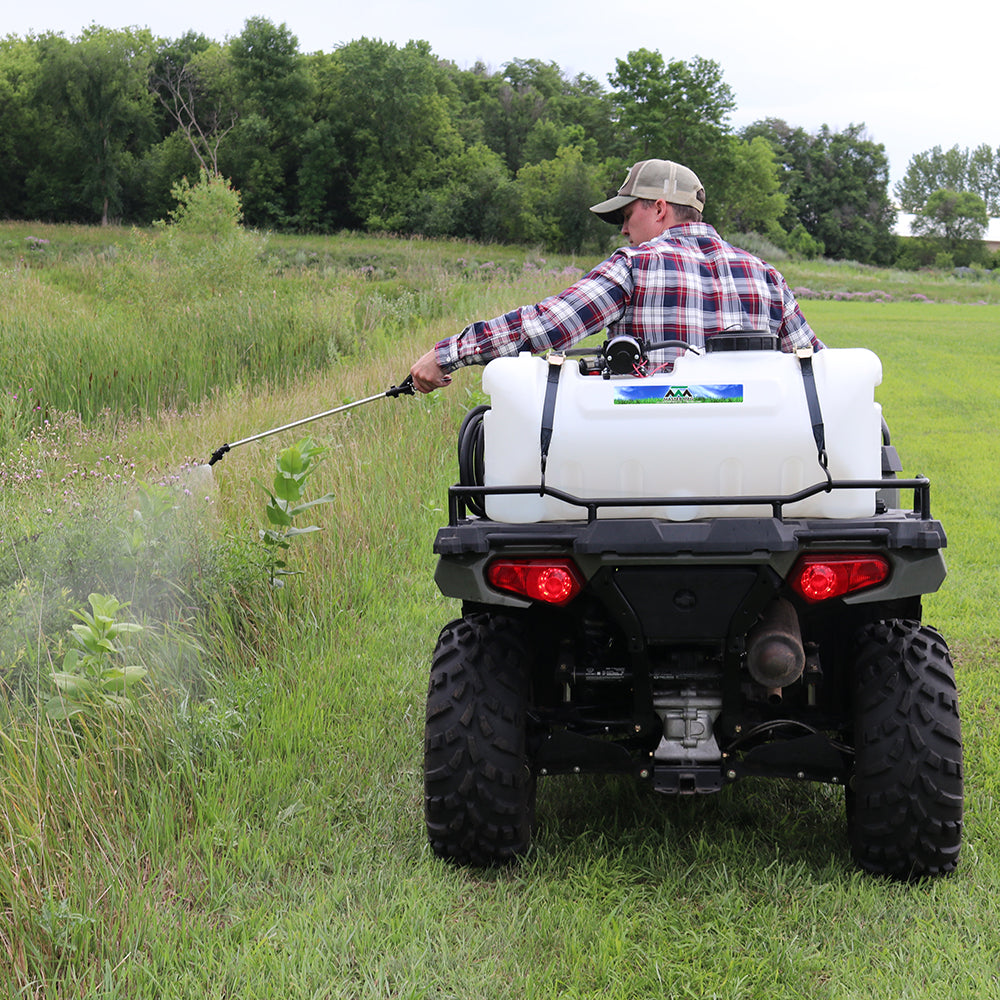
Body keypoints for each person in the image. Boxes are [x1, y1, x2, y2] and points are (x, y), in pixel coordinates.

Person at [409, 158, 824, 393]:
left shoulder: (635, 265)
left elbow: (547, 326)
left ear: (659, 209)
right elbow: (819, 368)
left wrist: (447, 354)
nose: (624, 229)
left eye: (626, 215)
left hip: (644, 462)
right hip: (755, 470)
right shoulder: (767, 277)